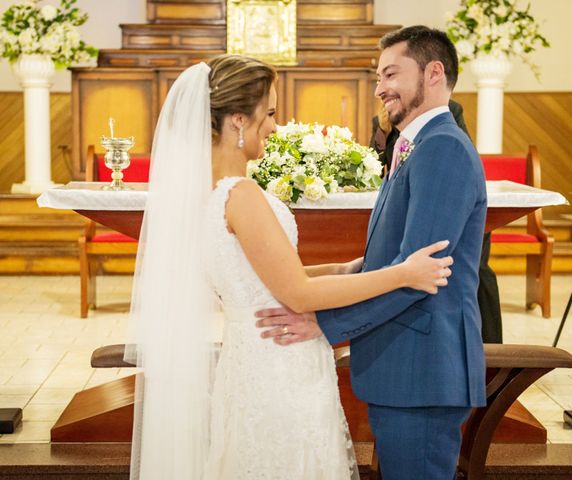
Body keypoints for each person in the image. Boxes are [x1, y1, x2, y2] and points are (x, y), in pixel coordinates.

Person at [124, 54, 455, 480]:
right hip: (278, 368)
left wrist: (343, 268)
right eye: (271, 113)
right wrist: (404, 273)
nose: (276, 126)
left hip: (251, 359)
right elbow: (297, 294)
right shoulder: (240, 194)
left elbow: (256, 278)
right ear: (240, 120)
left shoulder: (207, 194)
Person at [257, 26, 487, 479]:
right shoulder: (414, 145)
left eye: (390, 74)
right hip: (407, 363)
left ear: (434, 72)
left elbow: (421, 275)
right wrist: (348, 274)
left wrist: (324, 323)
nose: (379, 87)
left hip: (422, 367)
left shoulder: (441, 147)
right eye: (378, 76)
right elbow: (398, 262)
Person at [371, 100, 503, 343]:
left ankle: (491, 345)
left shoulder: (449, 112)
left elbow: (457, 156)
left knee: (478, 270)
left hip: (445, 198)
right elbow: (376, 164)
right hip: (408, 204)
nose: (383, 90)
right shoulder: (381, 122)